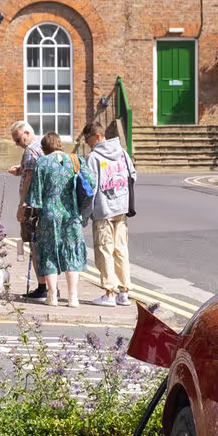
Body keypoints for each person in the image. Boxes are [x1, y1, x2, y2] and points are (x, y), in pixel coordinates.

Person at [25, 132, 91, 307]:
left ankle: (52, 296)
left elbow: (35, 194)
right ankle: (73, 297)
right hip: (72, 213)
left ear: (44, 148)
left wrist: (30, 209)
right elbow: (91, 182)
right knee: (72, 253)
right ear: (60, 144)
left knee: (48, 252)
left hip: (49, 214)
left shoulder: (42, 162)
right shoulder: (76, 160)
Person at [79, 122, 136, 306]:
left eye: (88, 140)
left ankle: (109, 293)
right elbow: (132, 176)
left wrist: (84, 215)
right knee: (121, 250)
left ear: (96, 136)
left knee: (104, 250)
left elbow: (91, 189)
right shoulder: (121, 152)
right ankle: (123, 292)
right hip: (121, 208)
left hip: (103, 211)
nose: (88, 144)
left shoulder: (93, 158)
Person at [5, 121, 46, 299]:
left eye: (18, 139)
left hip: (32, 206)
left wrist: (21, 206)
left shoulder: (30, 151)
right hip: (45, 204)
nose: (17, 143)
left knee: (35, 246)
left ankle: (42, 287)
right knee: (45, 246)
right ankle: (50, 286)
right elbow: (33, 171)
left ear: (28, 133)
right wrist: (21, 169)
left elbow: (30, 178)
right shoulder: (44, 146)